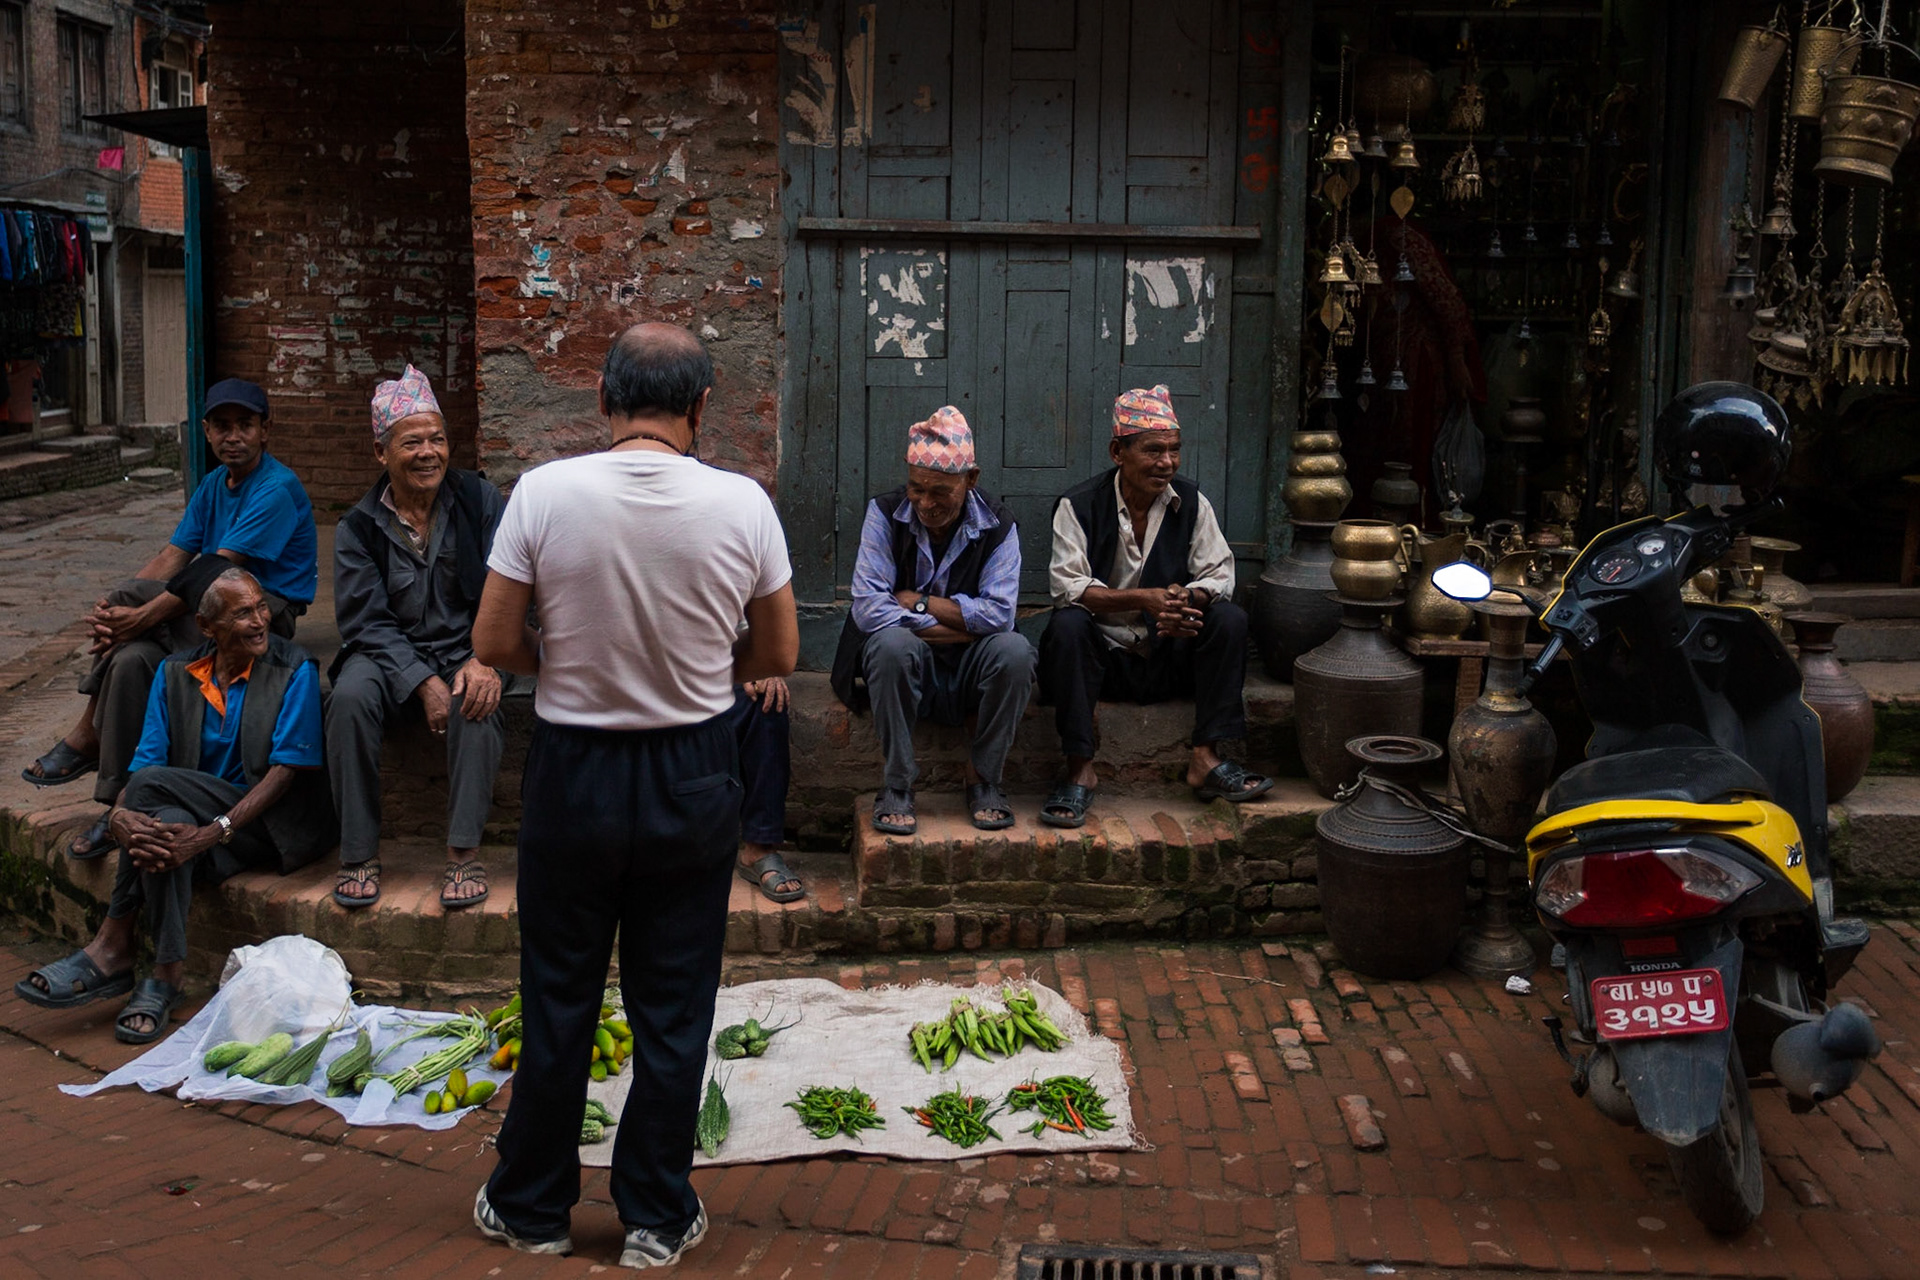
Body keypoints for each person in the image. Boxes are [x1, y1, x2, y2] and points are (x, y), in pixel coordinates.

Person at [469, 323, 796, 1268]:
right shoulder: (743, 505)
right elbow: (775, 658)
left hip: (574, 771)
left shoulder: (544, 492)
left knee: (559, 992)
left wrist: (563, 655)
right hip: (693, 772)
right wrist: (696, 660)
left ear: (604, 401)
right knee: (673, 1003)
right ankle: (654, 1212)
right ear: (701, 408)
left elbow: (493, 642)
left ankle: (531, 1207)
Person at [12, 569, 332, 1043]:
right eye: (243, 612)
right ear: (207, 628)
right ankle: (165, 974)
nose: (260, 620)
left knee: (157, 797)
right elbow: (146, 764)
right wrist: (127, 816)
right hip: (196, 825)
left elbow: (283, 776)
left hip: (262, 824)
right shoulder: (175, 673)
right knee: (167, 826)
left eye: (261, 606)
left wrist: (208, 831)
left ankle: (113, 941)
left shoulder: (294, 670)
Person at [20, 379, 318, 864]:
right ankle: (118, 804)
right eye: (222, 427)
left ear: (267, 430)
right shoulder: (211, 485)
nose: (233, 436)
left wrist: (135, 614)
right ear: (205, 431)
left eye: (245, 425)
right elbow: (174, 556)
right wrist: (115, 617)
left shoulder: (276, 488)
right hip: (208, 612)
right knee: (133, 658)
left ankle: (86, 732)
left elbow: (217, 569)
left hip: (261, 612)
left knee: (135, 614)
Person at [1038, 384, 1271, 827]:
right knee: (1066, 626)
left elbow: (1219, 574)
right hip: (1102, 663)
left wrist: (1187, 598)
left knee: (1228, 618)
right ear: (1117, 452)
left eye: (1174, 450)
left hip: (1166, 656)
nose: (1166, 462)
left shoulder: (1191, 502)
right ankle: (1079, 769)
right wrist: (1144, 598)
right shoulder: (1079, 505)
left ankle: (1205, 757)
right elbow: (1068, 587)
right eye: (1153, 450)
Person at [327, 366, 508, 912]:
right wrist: (424, 681)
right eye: (412, 442)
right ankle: (358, 851)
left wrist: (484, 658)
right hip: (386, 655)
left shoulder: (479, 501)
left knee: (477, 701)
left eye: (438, 439)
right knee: (348, 698)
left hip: (468, 646)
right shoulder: (357, 527)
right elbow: (365, 622)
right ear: (381, 453)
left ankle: (462, 854)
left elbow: (510, 587)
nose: (429, 452)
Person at [829, 406, 1035, 835]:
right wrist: (961, 626)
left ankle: (983, 778)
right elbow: (869, 608)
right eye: (916, 488)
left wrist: (919, 603)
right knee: (889, 646)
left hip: (969, 667)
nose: (925, 503)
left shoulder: (999, 524)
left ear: (970, 480)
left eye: (940, 491)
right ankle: (898, 786)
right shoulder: (884, 513)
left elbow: (1000, 615)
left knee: (1015, 652)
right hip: (907, 662)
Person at [732, 676, 803, 901]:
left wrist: (757, 668)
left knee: (767, 695)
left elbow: (767, 644)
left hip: (722, 680)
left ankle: (759, 845)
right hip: (661, 691)